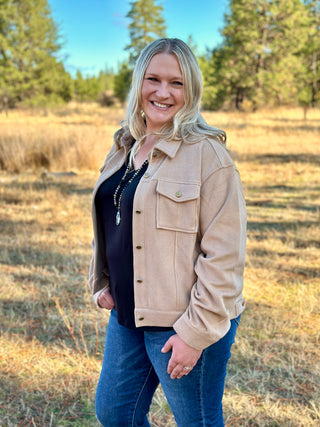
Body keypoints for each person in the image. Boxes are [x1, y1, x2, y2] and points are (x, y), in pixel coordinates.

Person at [88, 38, 247, 427]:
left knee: (199, 421)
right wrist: (103, 280)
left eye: (176, 83)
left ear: (191, 90)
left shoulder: (208, 155)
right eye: (153, 79)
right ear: (138, 83)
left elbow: (224, 255)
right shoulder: (125, 146)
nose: (162, 92)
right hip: (129, 312)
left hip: (184, 319)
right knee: (115, 414)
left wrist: (195, 333)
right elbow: (114, 219)